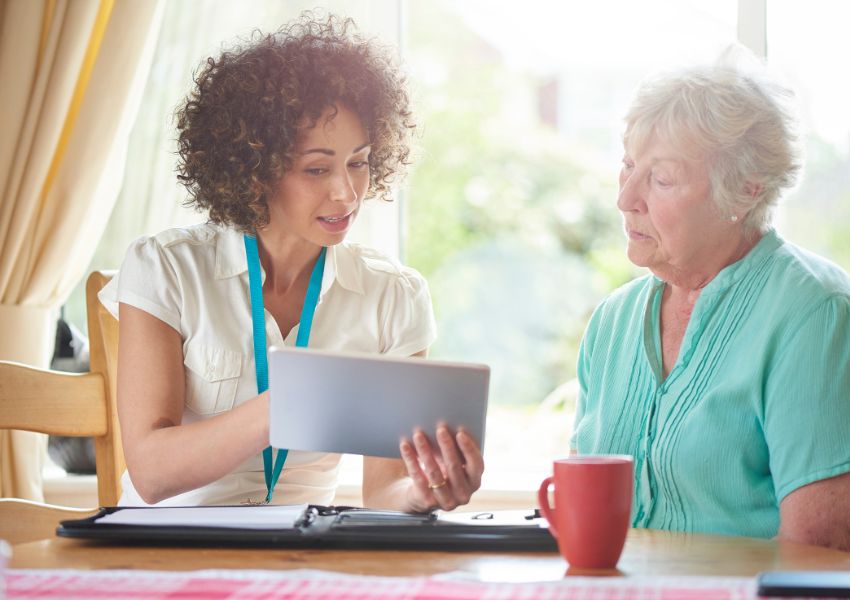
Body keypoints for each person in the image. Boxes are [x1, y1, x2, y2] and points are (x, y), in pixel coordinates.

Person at [99, 14, 483, 511]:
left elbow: (385, 490)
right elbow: (151, 472)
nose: (346, 193)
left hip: (303, 551)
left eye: (359, 162)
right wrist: (293, 401)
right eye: (317, 168)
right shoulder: (166, 269)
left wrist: (425, 491)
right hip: (168, 547)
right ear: (253, 169)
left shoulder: (395, 295)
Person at [571, 53, 850, 550]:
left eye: (661, 178)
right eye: (628, 166)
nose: (626, 198)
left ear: (744, 192)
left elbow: (817, 553)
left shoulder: (815, 313)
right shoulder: (611, 322)